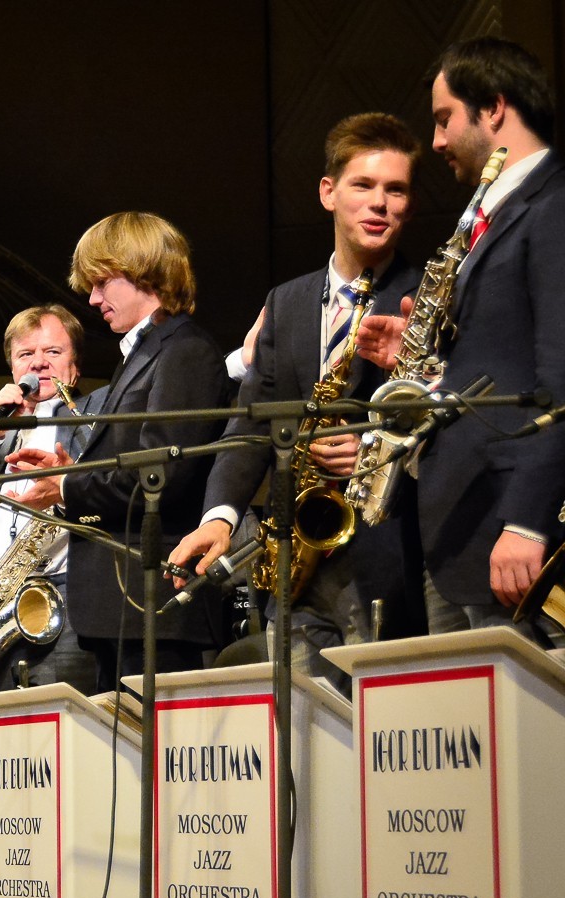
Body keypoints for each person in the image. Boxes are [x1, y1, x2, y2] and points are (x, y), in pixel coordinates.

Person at [168, 113, 427, 691]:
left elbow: (450, 418)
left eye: (396, 189)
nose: (379, 203)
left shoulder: (429, 298)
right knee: (302, 751)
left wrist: (377, 450)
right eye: (363, 186)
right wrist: (219, 517)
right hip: (293, 555)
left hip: (388, 555)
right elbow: (251, 423)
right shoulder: (286, 302)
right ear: (328, 192)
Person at [355, 37, 565, 636]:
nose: (439, 140)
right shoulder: (491, 210)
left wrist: (527, 520)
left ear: (493, 107)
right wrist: (433, 361)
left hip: (514, 535)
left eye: (445, 118)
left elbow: (560, 380)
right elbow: (504, 358)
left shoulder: (552, 206)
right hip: (464, 533)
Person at [6, 212, 232, 691]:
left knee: (158, 758)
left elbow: (161, 476)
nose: (92, 299)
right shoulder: (146, 353)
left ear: (143, 270)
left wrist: (67, 485)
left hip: (152, 600)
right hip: (122, 607)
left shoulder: (183, 350)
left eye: (102, 282)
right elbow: (130, 461)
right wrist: (73, 470)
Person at [0, 304, 107, 694]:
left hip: (67, 603)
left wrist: (66, 479)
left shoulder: (99, 413)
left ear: (75, 368)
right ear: (13, 369)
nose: (39, 364)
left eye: (53, 353)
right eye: (26, 355)